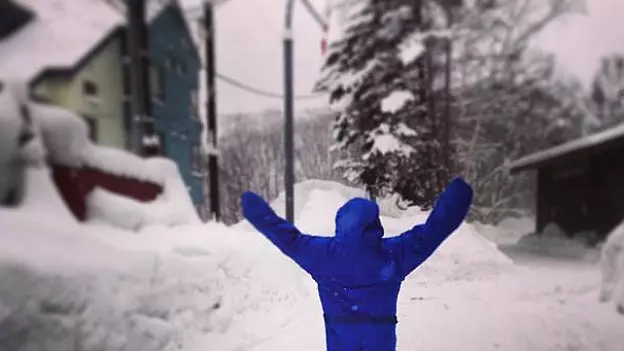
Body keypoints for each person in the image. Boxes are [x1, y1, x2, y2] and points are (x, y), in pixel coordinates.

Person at [241, 177, 473, 351]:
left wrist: (258, 213)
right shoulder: (394, 254)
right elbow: (432, 233)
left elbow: (288, 239)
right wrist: (456, 200)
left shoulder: (323, 256)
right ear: (375, 224)